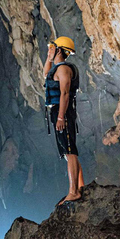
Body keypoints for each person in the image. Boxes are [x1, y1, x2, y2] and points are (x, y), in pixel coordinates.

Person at [43, 36, 84, 206]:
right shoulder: (58, 68)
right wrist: (48, 57)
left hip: (63, 113)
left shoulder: (64, 70)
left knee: (70, 150)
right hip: (57, 112)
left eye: (53, 49)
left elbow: (65, 94)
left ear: (59, 50)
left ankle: (74, 192)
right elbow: (46, 75)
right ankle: (80, 186)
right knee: (68, 152)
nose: (51, 51)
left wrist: (61, 117)